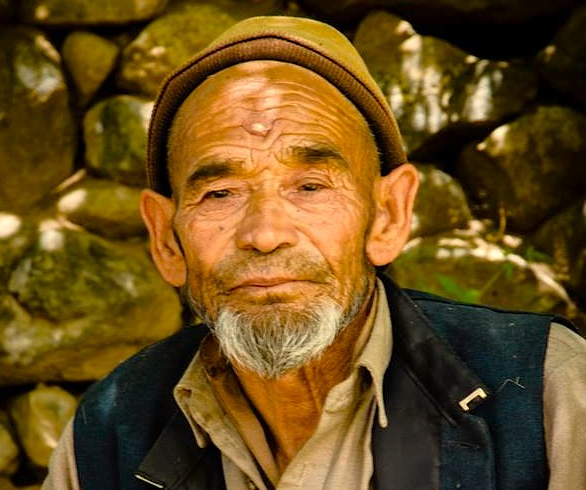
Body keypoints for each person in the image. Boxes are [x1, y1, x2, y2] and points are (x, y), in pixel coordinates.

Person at [43, 15, 586, 490]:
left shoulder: (548, 395)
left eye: (310, 187)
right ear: (166, 238)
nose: (264, 233)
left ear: (389, 215)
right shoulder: (110, 434)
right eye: (220, 193)